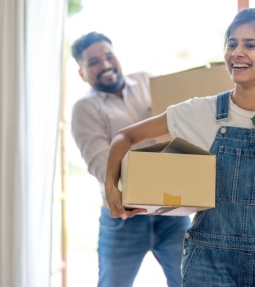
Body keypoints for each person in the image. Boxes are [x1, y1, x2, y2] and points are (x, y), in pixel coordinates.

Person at [105, 8, 255, 286]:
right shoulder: (200, 112)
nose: (237, 52)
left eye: (250, 44)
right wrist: (110, 184)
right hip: (208, 261)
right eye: (232, 44)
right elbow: (125, 137)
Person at [70, 32, 191, 287]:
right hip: (123, 217)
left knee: (188, 281)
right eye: (93, 62)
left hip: (172, 210)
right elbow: (102, 165)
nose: (105, 65)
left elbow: (181, 128)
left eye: (108, 56)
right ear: (81, 73)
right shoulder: (85, 109)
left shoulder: (149, 82)